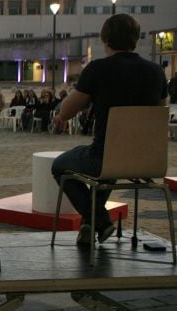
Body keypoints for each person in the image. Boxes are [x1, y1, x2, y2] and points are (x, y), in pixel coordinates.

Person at [51, 13, 167, 246]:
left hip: (105, 157)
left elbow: (67, 110)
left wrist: (61, 113)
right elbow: (160, 113)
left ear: (106, 40)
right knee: (108, 171)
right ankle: (88, 224)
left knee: (60, 166)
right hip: (147, 160)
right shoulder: (156, 72)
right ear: (135, 39)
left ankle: (100, 220)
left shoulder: (98, 69)